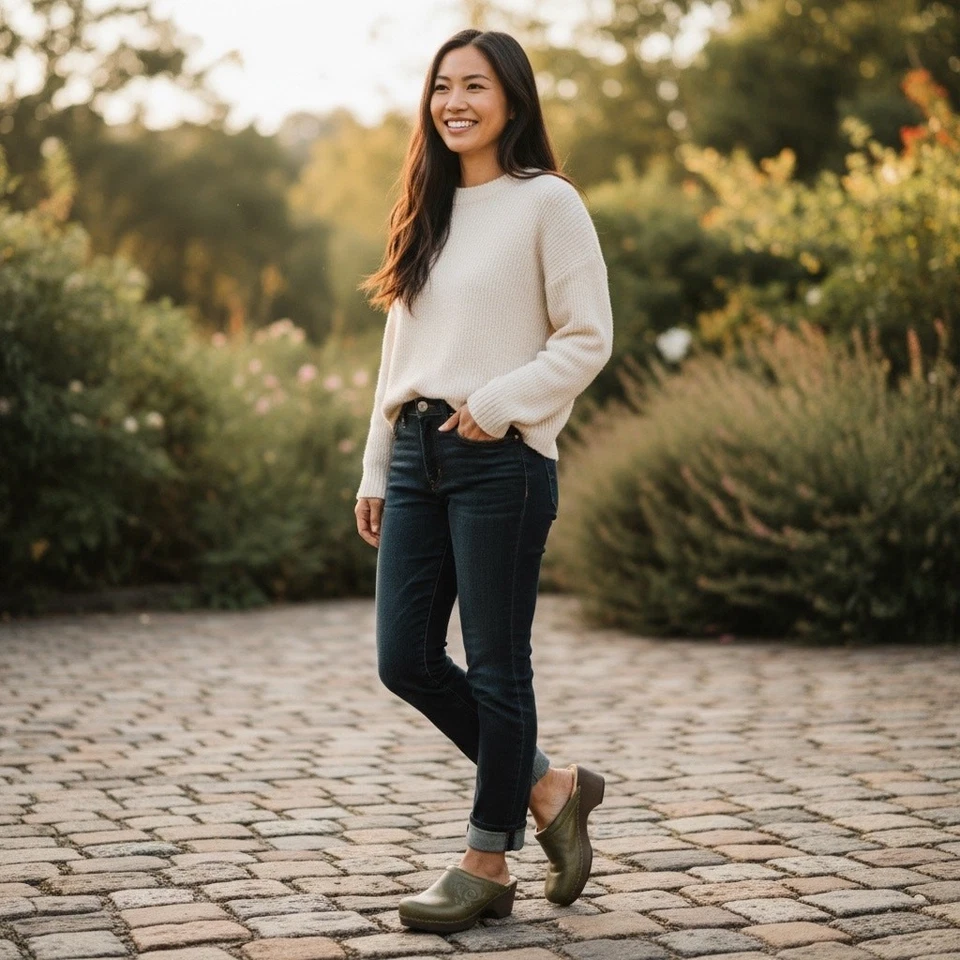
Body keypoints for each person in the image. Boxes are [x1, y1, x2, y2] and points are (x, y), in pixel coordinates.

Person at [354, 27, 613, 934]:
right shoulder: (425, 207)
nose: (454, 102)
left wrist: (500, 403)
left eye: (474, 86)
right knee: (406, 659)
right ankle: (550, 785)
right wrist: (378, 463)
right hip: (420, 453)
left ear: (511, 99)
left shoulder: (548, 204)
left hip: (501, 457)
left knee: (499, 668)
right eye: (442, 87)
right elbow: (403, 347)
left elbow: (587, 337)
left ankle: (485, 859)